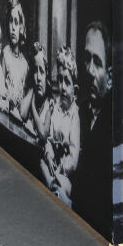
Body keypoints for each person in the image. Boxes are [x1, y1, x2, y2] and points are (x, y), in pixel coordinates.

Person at [72, 21, 112, 228]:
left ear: (111, 75)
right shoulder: (79, 111)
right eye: (86, 59)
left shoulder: (113, 128)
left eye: (97, 62)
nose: (89, 70)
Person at [41, 46, 80, 206]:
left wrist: (61, 168)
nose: (63, 87)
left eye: (67, 82)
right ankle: (52, 188)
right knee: (41, 163)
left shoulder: (74, 115)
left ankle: (57, 191)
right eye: (60, 80)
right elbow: (48, 138)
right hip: (51, 166)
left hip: (65, 173)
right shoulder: (55, 108)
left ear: (74, 89)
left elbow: (74, 156)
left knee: (62, 184)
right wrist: (49, 153)